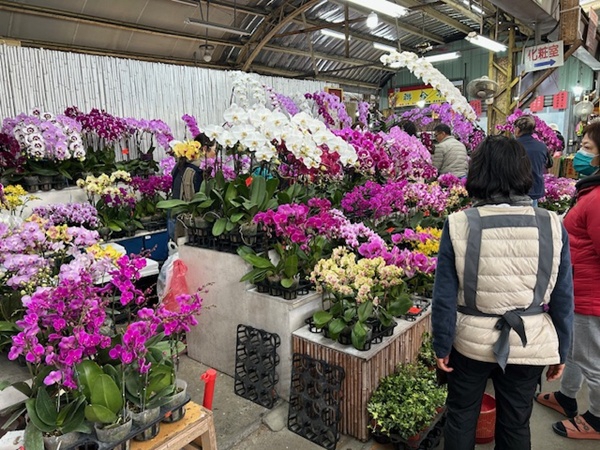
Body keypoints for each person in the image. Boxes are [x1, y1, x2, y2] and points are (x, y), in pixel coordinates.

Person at [432, 135, 574, 450]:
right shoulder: (552, 224)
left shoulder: (459, 223)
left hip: (470, 343)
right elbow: (563, 297)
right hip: (529, 341)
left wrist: (441, 345)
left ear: (477, 172)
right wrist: (562, 350)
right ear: (524, 171)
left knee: (460, 416)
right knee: (516, 422)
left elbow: (444, 297)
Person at [536, 121, 600, 440]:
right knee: (574, 351)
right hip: (579, 288)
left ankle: (596, 420)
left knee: (593, 362)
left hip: (591, 294)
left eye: (587, 148)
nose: (580, 154)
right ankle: (566, 396)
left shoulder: (598, 197)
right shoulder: (591, 190)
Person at [167, 133, 216, 241]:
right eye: (214, 150)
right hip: (187, 224)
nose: (215, 154)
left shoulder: (182, 164)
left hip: (174, 216)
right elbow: (199, 200)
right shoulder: (197, 171)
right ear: (204, 149)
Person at [513, 115, 548, 206]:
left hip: (517, 191)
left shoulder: (512, 146)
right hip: (535, 189)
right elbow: (547, 164)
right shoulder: (542, 146)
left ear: (518, 129)